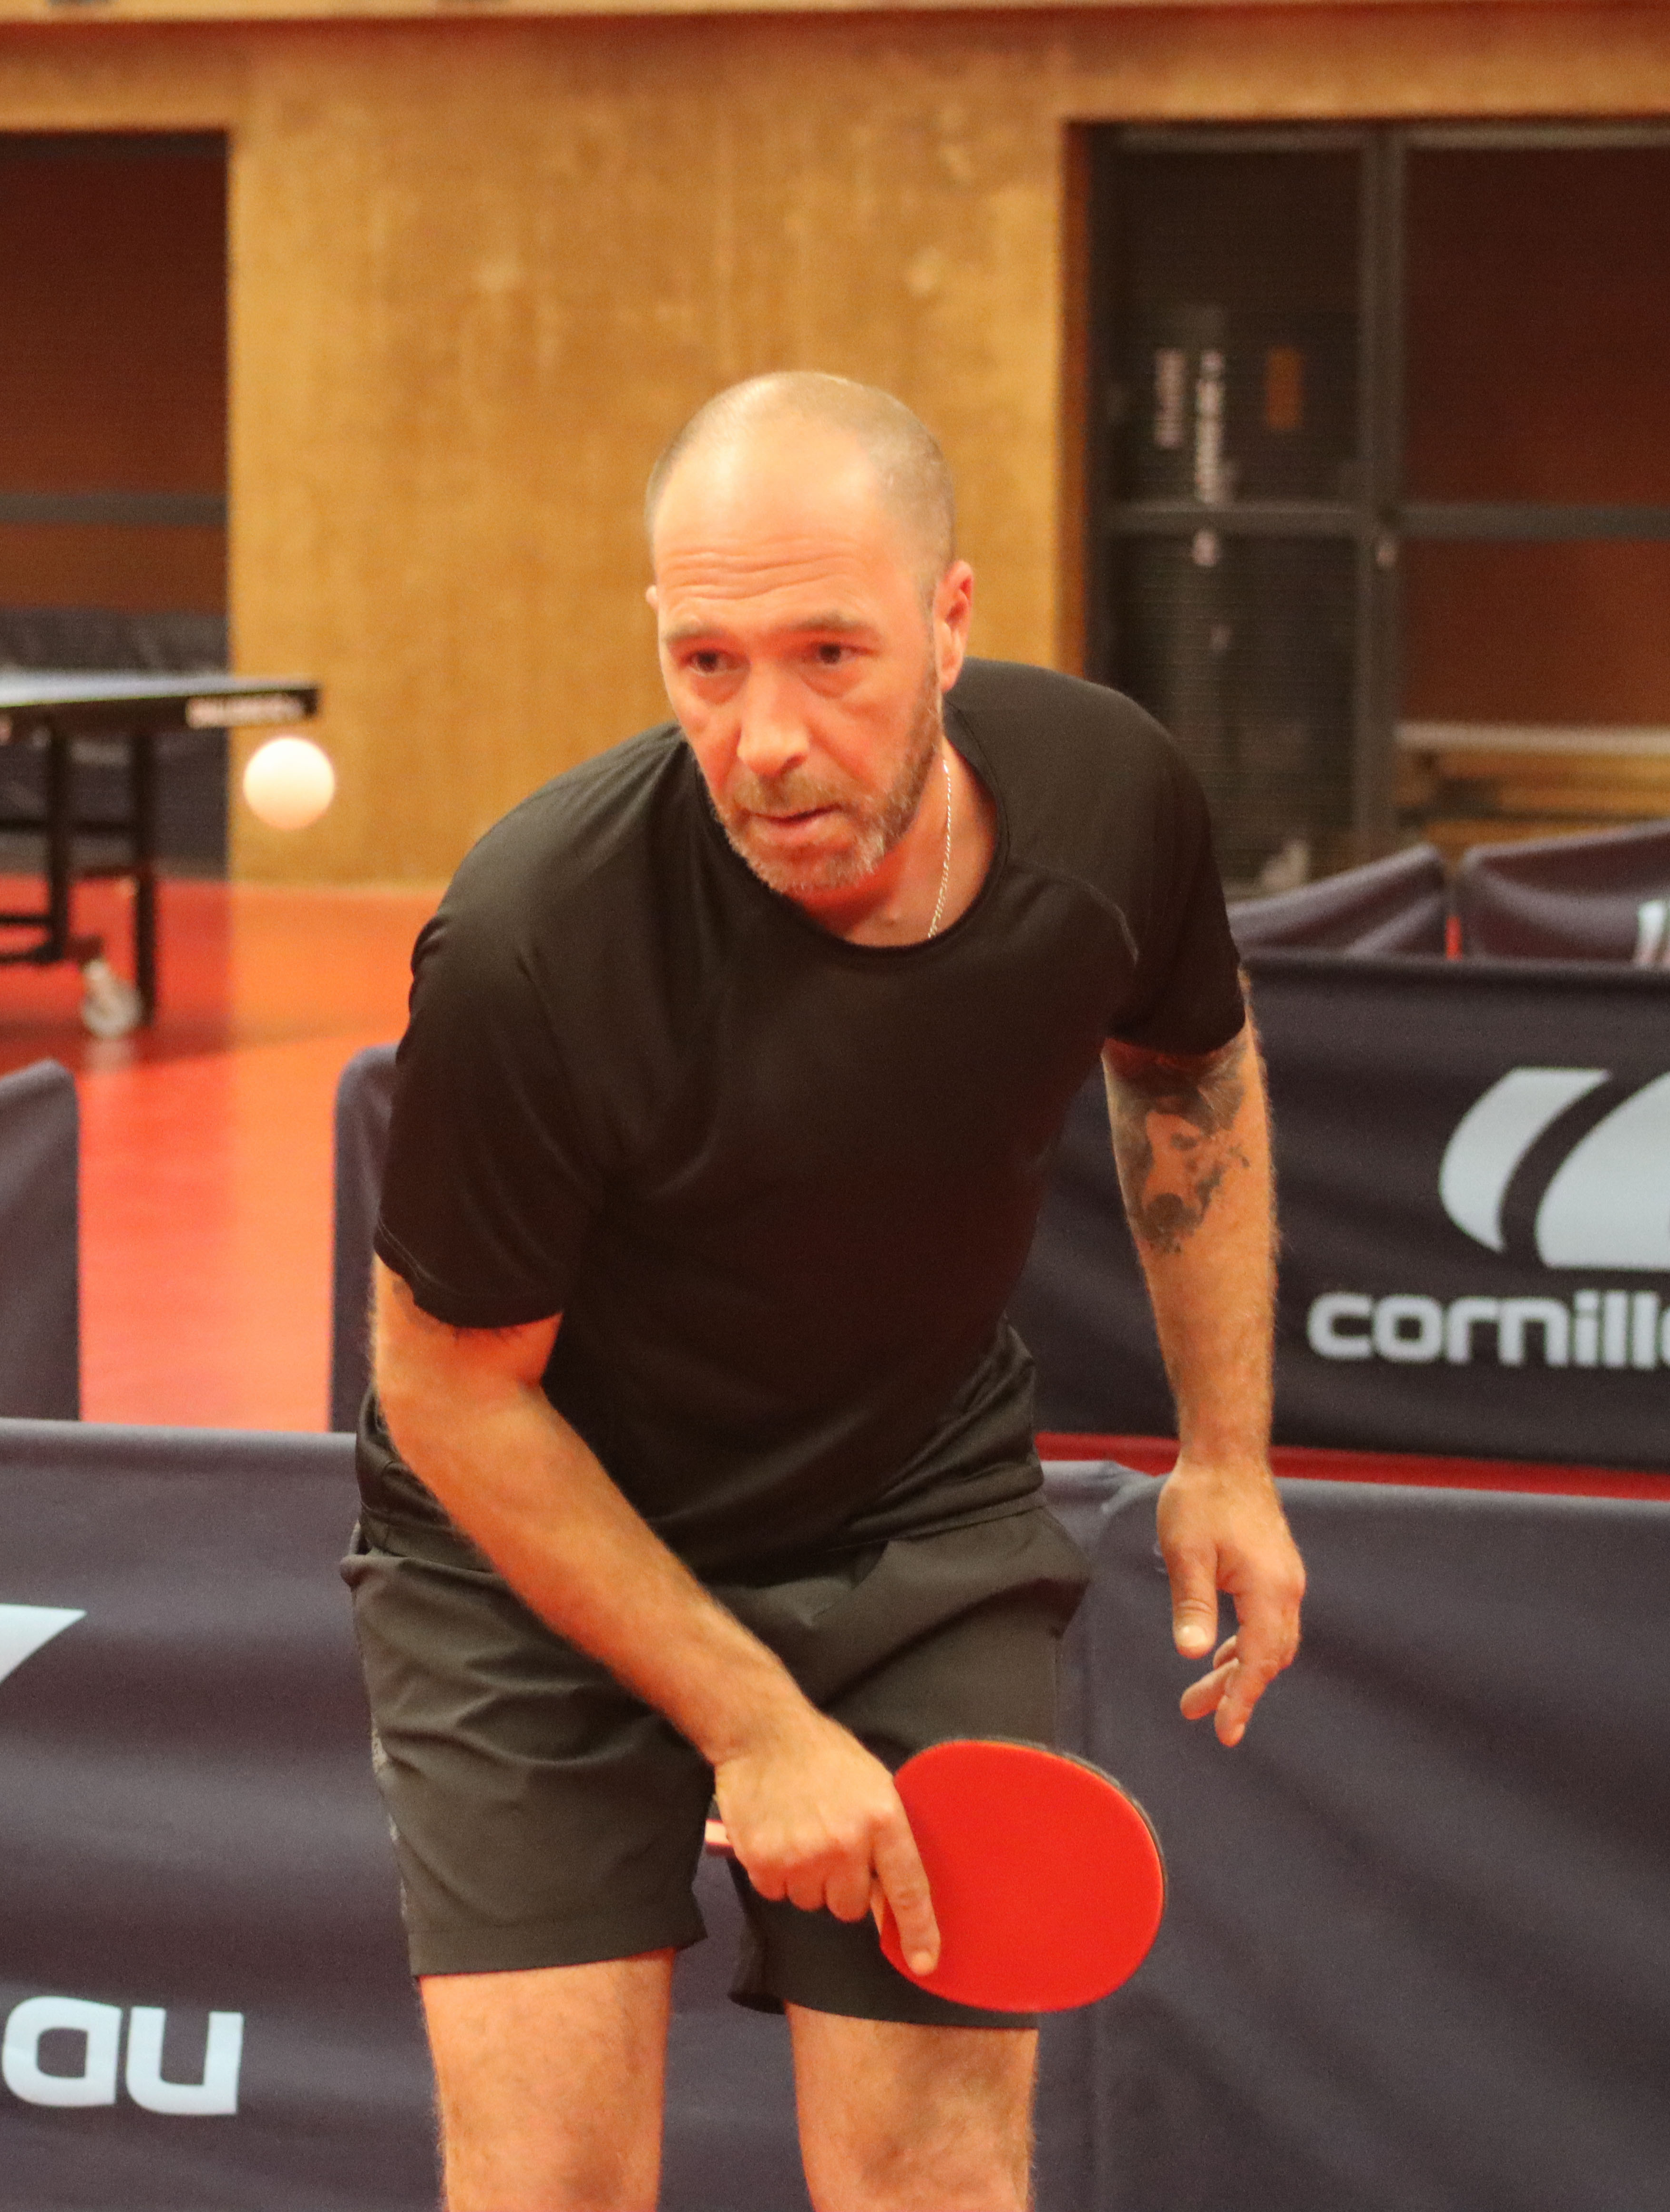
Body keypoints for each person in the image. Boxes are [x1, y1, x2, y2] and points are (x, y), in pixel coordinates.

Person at [350, 371, 1305, 2212]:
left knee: (930, 2172)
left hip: (906, 1514)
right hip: (532, 1563)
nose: (768, 740)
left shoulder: (1109, 799)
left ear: (951, 620)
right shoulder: (539, 937)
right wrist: (756, 1723)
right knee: (551, 2186)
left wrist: (1228, 1453)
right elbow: (451, 1388)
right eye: (707, 666)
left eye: (831, 657)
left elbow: (1188, 1066)